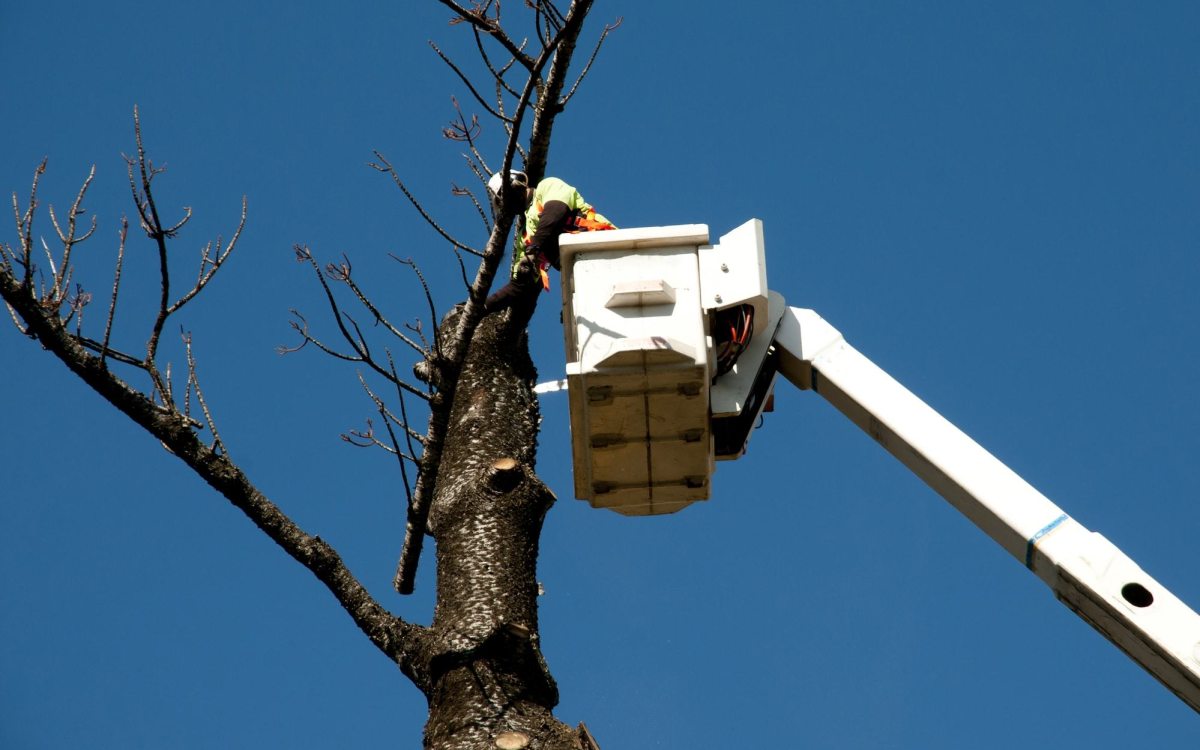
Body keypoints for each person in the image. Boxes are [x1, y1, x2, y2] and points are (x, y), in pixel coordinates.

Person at [484, 170, 616, 317]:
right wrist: (483, 306)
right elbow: (518, 286)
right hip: (584, 271)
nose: (507, 201)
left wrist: (533, 250)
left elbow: (556, 210)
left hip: (606, 245)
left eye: (506, 194)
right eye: (502, 200)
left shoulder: (547, 186)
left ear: (518, 182)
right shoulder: (526, 236)